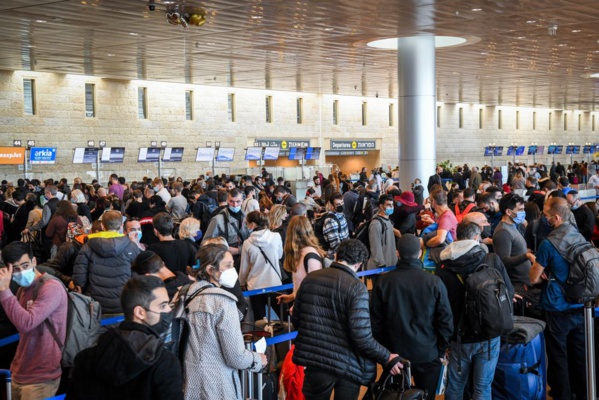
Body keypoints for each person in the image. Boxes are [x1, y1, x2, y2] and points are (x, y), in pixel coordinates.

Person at [292, 239, 402, 400]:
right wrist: (386, 357)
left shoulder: (311, 279)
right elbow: (362, 336)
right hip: (348, 366)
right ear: (358, 264)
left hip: (315, 362)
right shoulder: (357, 288)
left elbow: (297, 319)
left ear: (336, 255)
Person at [68, 275, 184, 399]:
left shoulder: (85, 358)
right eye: (163, 305)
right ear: (140, 312)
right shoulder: (165, 363)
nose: (169, 310)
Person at [436, 222, 515, 400]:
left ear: (457, 237)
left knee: (455, 385)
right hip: (489, 333)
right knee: (482, 387)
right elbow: (508, 291)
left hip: (459, 336)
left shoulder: (443, 267)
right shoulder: (491, 259)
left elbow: (441, 306)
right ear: (475, 238)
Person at [371, 234, 453, 400]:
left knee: (394, 396)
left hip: (394, 355)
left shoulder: (383, 282)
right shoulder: (434, 282)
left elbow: (375, 322)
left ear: (397, 253)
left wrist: (385, 352)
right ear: (419, 253)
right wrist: (441, 349)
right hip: (428, 353)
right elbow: (445, 321)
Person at [183, 243, 267, 399]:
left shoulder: (183, 294)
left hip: (187, 379)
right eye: (228, 266)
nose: (232, 271)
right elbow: (236, 357)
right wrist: (257, 360)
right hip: (217, 383)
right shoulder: (222, 302)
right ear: (210, 270)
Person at [529, 197, 586, 400]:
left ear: (556, 217)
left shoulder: (548, 244)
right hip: (579, 304)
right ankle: (583, 392)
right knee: (579, 354)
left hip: (556, 307)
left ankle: (562, 395)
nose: (544, 218)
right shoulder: (579, 237)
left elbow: (534, 277)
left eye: (545, 215)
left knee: (558, 356)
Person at [0, 241, 68, 400]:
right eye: (15, 269)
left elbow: (26, 323)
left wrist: (4, 291)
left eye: (25, 265)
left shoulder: (51, 287)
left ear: (34, 261)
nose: (21, 272)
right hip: (19, 371)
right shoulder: (23, 290)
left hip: (41, 377)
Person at [73, 210, 141, 314]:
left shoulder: (87, 247)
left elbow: (79, 277)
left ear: (102, 225)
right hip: (123, 302)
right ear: (121, 225)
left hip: (95, 305)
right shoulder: (132, 247)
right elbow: (137, 274)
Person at [239, 211, 284, 321]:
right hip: (275, 283)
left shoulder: (247, 243)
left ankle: (263, 338)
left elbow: (244, 267)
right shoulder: (276, 236)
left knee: (259, 320)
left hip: (255, 285)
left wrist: (242, 282)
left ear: (253, 225)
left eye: (247, 223)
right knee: (283, 315)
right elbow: (279, 256)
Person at [276, 215, 326, 305]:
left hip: (309, 310)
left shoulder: (309, 255)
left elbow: (316, 289)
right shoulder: (300, 254)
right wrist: (292, 296)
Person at [493, 193, 534, 291]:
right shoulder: (503, 231)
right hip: (517, 285)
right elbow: (503, 261)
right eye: (520, 210)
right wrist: (526, 256)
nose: (523, 213)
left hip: (524, 282)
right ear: (508, 211)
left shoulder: (513, 226)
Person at [203, 188, 250, 269]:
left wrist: (238, 250)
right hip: (224, 260)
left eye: (238, 201)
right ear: (227, 200)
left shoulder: (248, 218)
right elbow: (206, 243)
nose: (235, 205)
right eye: (232, 201)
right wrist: (222, 249)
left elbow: (252, 241)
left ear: (242, 201)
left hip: (244, 259)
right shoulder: (217, 219)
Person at [366, 194, 398, 271]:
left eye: (392, 205)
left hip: (390, 265)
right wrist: (381, 266)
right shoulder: (376, 224)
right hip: (381, 269)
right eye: (388, 205)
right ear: (381, 206)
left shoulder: (388, 221)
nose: (391, 207)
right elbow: (376, 247)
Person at [322, 192, 350, 259]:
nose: (341, 205)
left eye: (342, 203)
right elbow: (334, 244)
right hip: (337, 256)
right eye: (338, 204)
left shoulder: (341, 214)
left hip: (345, 252)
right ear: (332, 206)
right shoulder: (331, 221)